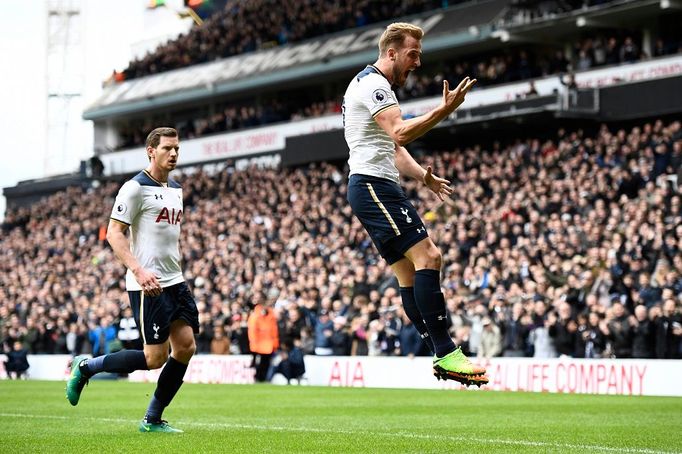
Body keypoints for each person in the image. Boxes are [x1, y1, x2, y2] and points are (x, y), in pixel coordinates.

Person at [343, 22, 487, 386]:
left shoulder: (369, 84)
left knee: (408, 275)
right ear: (391, 53)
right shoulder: (374, 85)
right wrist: (445, 110)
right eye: (413, 54)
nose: (417, 62)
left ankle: (440, 353)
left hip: (371, 186)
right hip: (374, 186)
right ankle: (447, 352)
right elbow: (401, 132)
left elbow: (393, 148)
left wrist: (424, 176)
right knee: (430, 257)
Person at [65, 127, 198, 433]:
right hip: (147, 285)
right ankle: (86, 367)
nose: (174, 153)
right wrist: (139, 271)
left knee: (186, 347)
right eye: (167, 148)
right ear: (151, 151)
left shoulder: (176, 189)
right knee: (154, 358)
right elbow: (114, 233)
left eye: (177, 148)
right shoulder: (134, 188)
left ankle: (152, 419)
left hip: (175, 281)